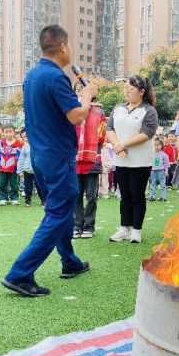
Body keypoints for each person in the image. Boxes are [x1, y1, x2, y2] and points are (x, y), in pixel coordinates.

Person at [2, 24, 97, 297]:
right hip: (57, 157)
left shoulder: (33, 75)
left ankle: (70, 262)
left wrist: (81, 101)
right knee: (58, 213)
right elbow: (76, 116)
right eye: (71, 45)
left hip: (40, 155)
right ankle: (19, 274)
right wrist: (87, 96)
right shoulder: (56, 77)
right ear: (63, 47)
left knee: (60, 210)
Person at [107, 75, 158, 244]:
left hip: (140, 161)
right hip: (121, 160)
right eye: (125, 88)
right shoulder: (118, 108)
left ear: (141, 92)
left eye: (131, 88)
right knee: (125, 195)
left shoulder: (148, 111)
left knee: (137, 195)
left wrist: (123, 145)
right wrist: (117, 145)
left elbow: (146, 134)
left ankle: (136, 230)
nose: (127, 91)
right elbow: (109, 129)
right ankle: (124, 228)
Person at [73, 82, 107, 239]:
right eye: (78, 91)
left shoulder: (99, 112)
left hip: (92, 159)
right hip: (74, 160)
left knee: (92, 195)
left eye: (84, 91)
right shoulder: (71, 112)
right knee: (75, 195)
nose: (81, 94)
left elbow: (101, 136)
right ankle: (76, 225)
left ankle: (89, 225)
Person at [0, 125, 23, 205]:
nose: (8, 134)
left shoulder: (17, 143)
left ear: (14, 132)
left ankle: (14, 198)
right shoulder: (2, 143)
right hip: (2, 168)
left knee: (14, 183)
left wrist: (19, 167)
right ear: (3, 133)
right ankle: (3, 198)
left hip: (14, 168)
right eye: (6, 132)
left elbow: (20, 155)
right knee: (2, 183)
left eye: (10, 131)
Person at [17, 131, 45, 207]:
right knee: (28, 187)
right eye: (24, 137)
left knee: (40, 186)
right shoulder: (25, 148)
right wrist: (19, 170)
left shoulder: (39, 146)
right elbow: (21, 159)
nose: (27, 137)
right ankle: (28, 201)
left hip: (38, 170)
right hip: (27, 170)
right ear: (23, 139)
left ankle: (43, 200)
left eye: (27, 135)